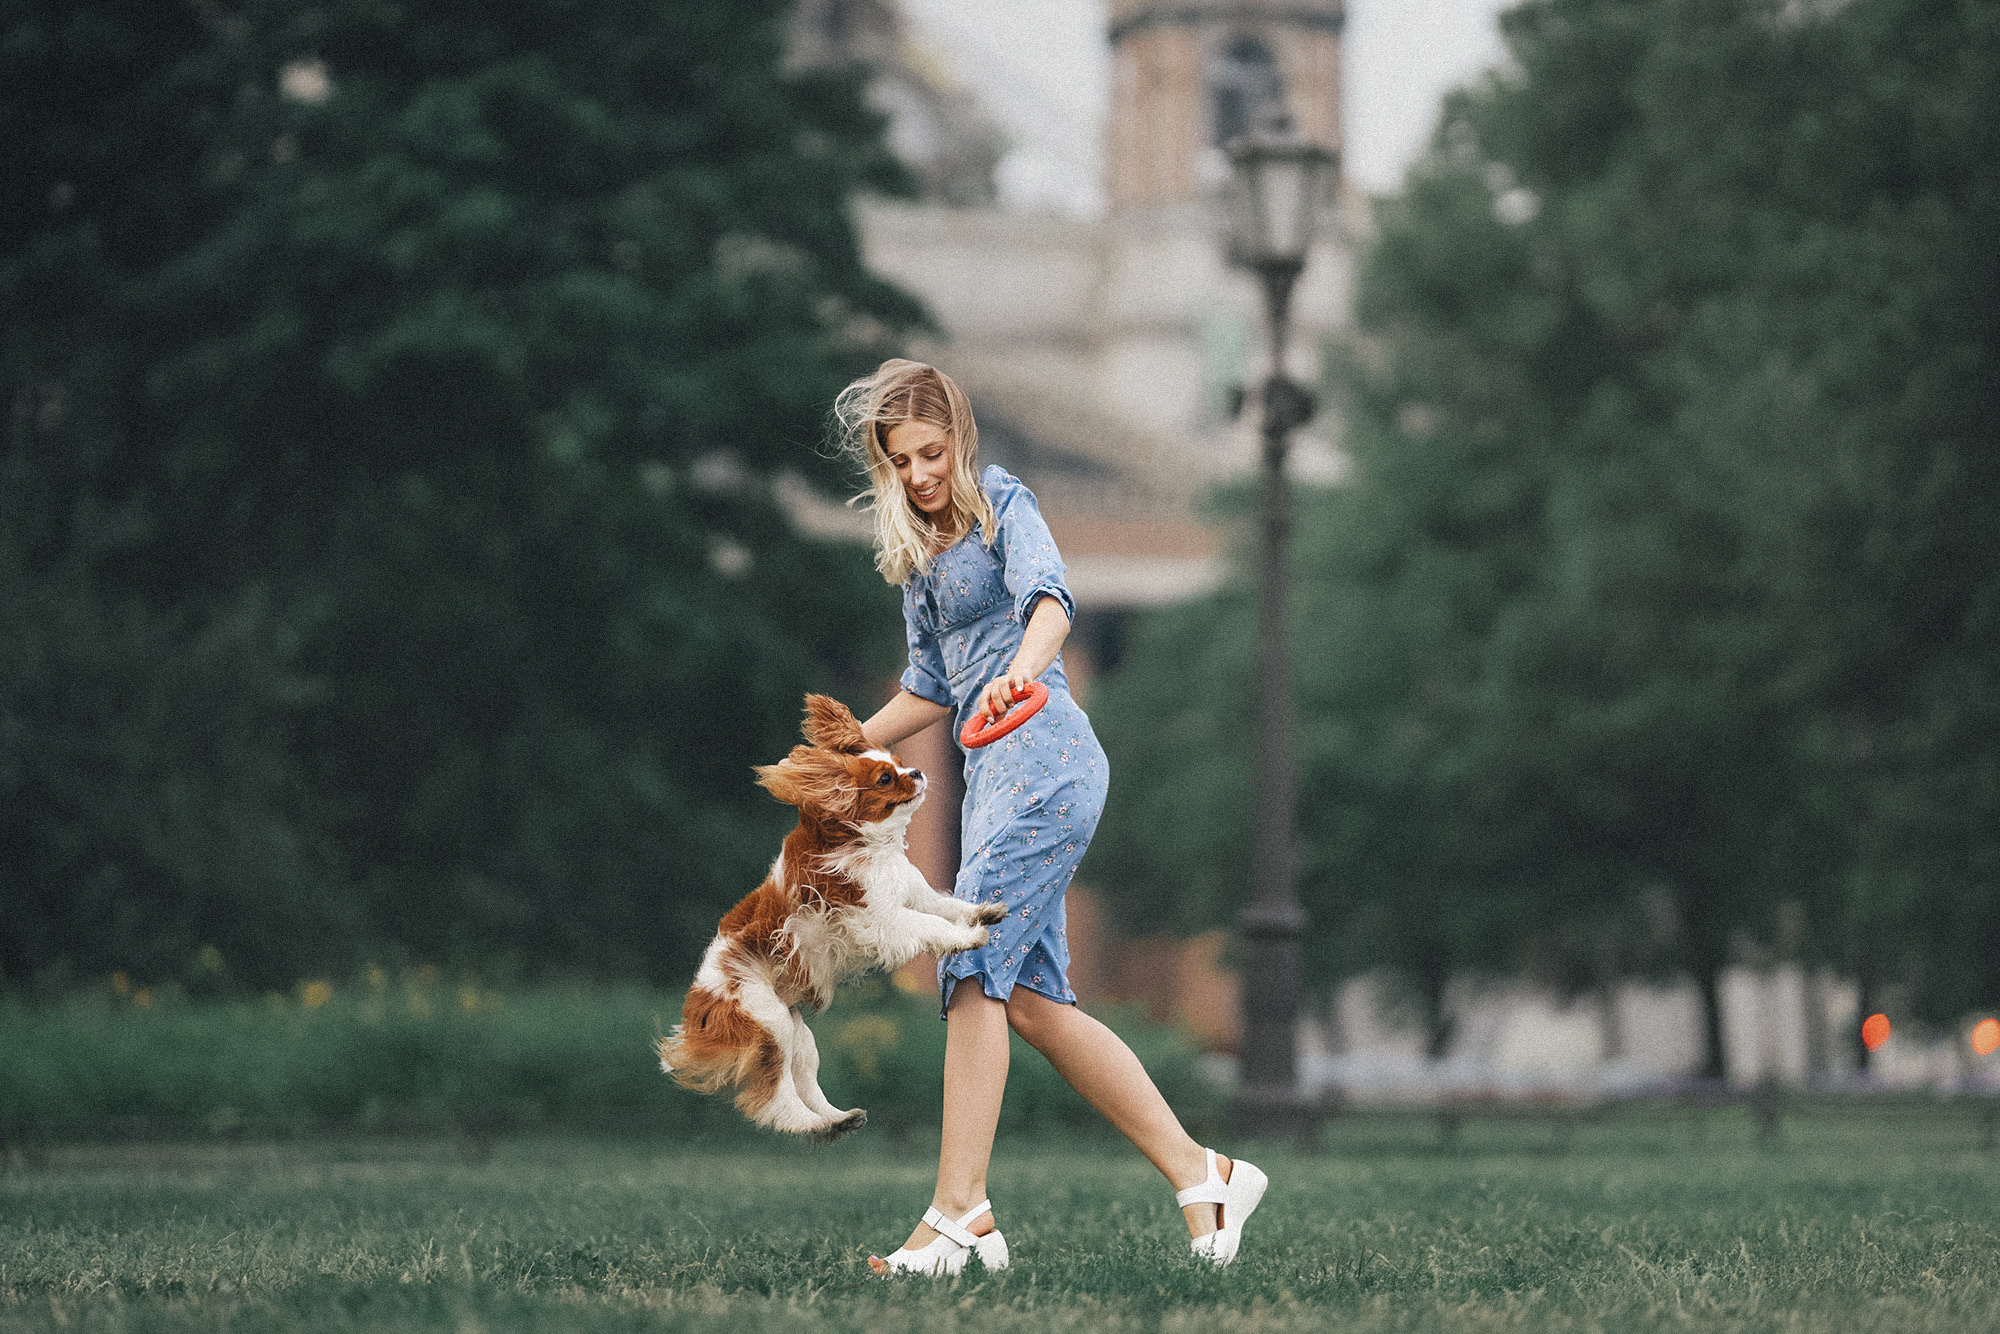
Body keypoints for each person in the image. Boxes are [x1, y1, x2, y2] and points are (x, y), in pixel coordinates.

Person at [833, 359, 1267, 1274]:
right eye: (898, 459)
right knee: (1029, 1003)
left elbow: (1051, 604)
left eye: (930, 451)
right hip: (991, 778)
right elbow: (929, 685)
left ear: (958, 436)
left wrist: (1020, 669)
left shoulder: (1000, 500)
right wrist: (846, 747)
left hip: (1046, 758)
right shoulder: (919, 552)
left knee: (970, 961)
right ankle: (1207, 1176)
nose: (918, 474)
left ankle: (958, 1215)